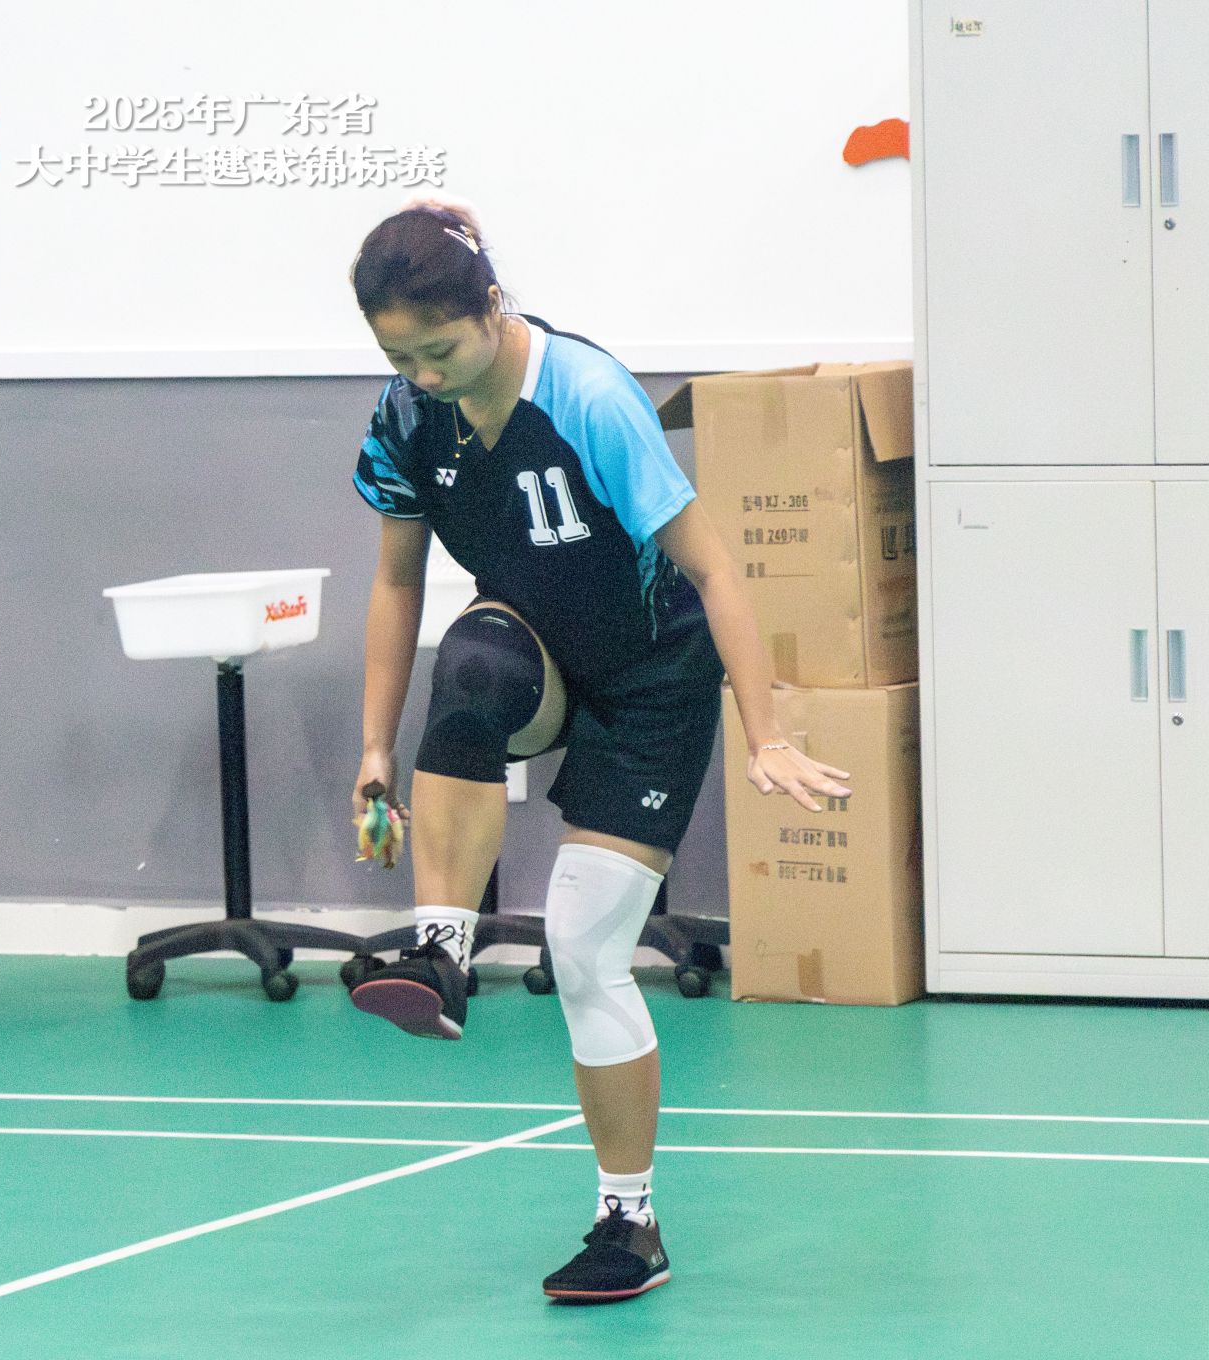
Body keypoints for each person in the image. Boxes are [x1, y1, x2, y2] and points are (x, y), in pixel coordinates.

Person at [345, 196, 850, 1302]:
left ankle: (629, 1222)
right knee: (471, 662)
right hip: (536, 652)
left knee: (582, 953)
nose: (421, 376)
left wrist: (763, 730)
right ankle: (440, 948)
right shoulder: (407, 415)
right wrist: (374, 747)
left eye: (438, 351)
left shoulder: (587, 397)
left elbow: (713, 568)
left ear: (491, 306)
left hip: (651, 679)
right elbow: (394, 582)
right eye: (397, 357)